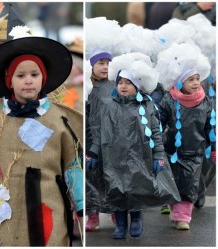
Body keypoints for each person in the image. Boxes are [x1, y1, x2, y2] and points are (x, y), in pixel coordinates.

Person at [0, 30, 83, 246]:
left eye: (34, 75)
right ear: (9, 81)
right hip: (1, 210)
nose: (28, 81)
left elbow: (72, 166)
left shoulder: (58, 120)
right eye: (20, 76)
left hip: (46, 207)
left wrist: (81, 205)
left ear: (44, 78)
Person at [86, 53, 180, 239]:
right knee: (118, 190)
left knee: (136, 188)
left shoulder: (146, 106)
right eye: (120, 82)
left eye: (128, 82)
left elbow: (155, 133)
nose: (123, 86)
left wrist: (159, 156)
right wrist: (93, 153)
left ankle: (136, 219)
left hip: (140, 157)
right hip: (115, 159)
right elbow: (100, 132)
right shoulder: (108, 106)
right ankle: (121, 224)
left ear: (136, 85)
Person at [156, 43, 215, 230]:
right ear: (180, 82)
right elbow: (159, 122)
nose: (196, 83)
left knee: (190, 184)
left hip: (195, 152)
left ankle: (183, 217)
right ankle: (175, 208)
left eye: (198, 79)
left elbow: (210, 127)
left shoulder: (205, 102)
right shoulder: (169, 100)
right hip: (172, 150)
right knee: (174, 183)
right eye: (191, 80)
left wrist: (213, 148)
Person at [85, 49, 116, 231]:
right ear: (92, 66)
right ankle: (93, 215)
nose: (105, 67)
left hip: (109, 140)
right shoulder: (88, 88)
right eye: (101, 63)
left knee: (110, 177)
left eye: (107, 63)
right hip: (89, 138)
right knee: (91, 179)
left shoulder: (113, 86)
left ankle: (115, 212)